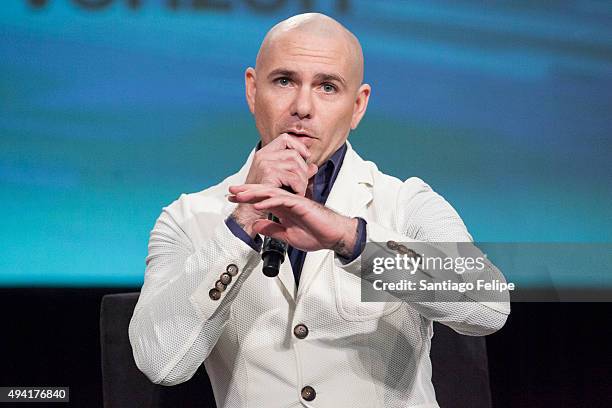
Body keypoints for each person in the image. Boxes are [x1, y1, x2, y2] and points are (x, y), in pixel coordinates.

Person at [129, 13, 510, 407]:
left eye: (327, 87)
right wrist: (240, 226)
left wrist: (352, 240)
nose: (303, 107)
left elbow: (488, 306)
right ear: (252, 90)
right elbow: (162, 364)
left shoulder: (404, 202)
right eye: (284, 81)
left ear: (358, 105)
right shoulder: (189, 218)